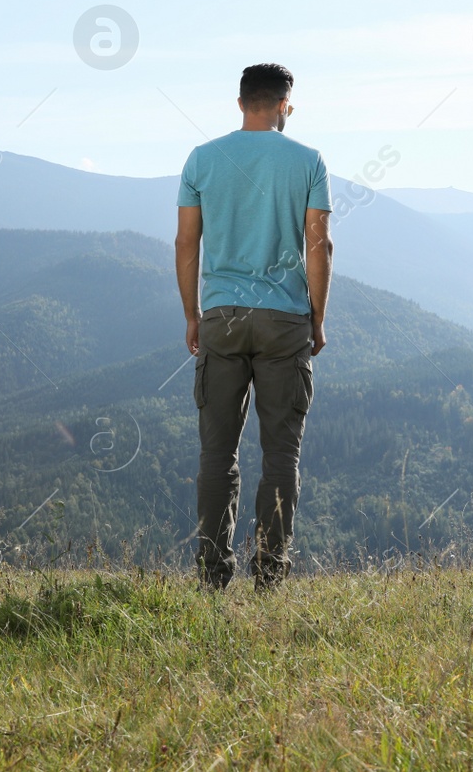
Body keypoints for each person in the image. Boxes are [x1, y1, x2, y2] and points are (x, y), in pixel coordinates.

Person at [175, 64, 333, 592]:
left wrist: (192, 315)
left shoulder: (202, 159)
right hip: (284, 321)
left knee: (217, 456)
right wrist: (318, 317)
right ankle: (269, 577)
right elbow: (319, 246)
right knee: (280, 455)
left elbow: (185, 244)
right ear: (285, 105)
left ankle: (213, 578)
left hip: (221, 318)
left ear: (241, 102)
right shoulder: (308, 161)